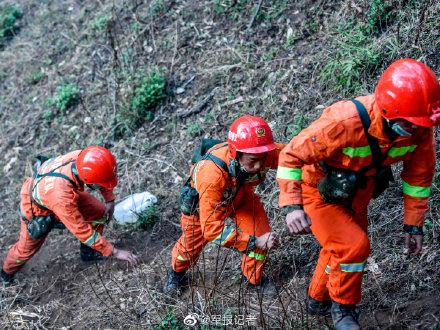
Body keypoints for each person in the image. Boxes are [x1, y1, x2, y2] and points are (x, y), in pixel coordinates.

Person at [276, 58, 440, 329]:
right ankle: (344, 311)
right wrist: (292, 206)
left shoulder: (419, 130)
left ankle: (317, 299)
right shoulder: (344, 122)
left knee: (339, 247)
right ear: (389, 110)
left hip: (357, 195)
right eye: (412, 124)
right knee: (354, 246)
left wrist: (414, 225)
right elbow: (290, 156)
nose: (420, 130)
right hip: (317, 192)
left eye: (424, 124)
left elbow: (419, 179)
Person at [164, 115, 283, 295]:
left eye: (263, 157)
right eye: (253, 160)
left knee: (261, 232)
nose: (260, 165)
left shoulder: (259, 152)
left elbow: (294, 154)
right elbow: (211, 229)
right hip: (201, 211)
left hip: (240, 198)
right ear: (236, 153)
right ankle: (176, 273)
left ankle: (253, 279)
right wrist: (251, 242)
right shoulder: (211, 175)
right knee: (188, 250)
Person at [1, 146, 139, 285]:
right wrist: (114, 251)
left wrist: (109, 200)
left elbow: (98, 175)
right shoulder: (61, 196)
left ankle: (89, 253)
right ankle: (6, 273)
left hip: (58, 193)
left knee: (97, 211)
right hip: (37, 210)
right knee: (25, 251)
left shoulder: (84, 159)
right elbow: (82, 231)